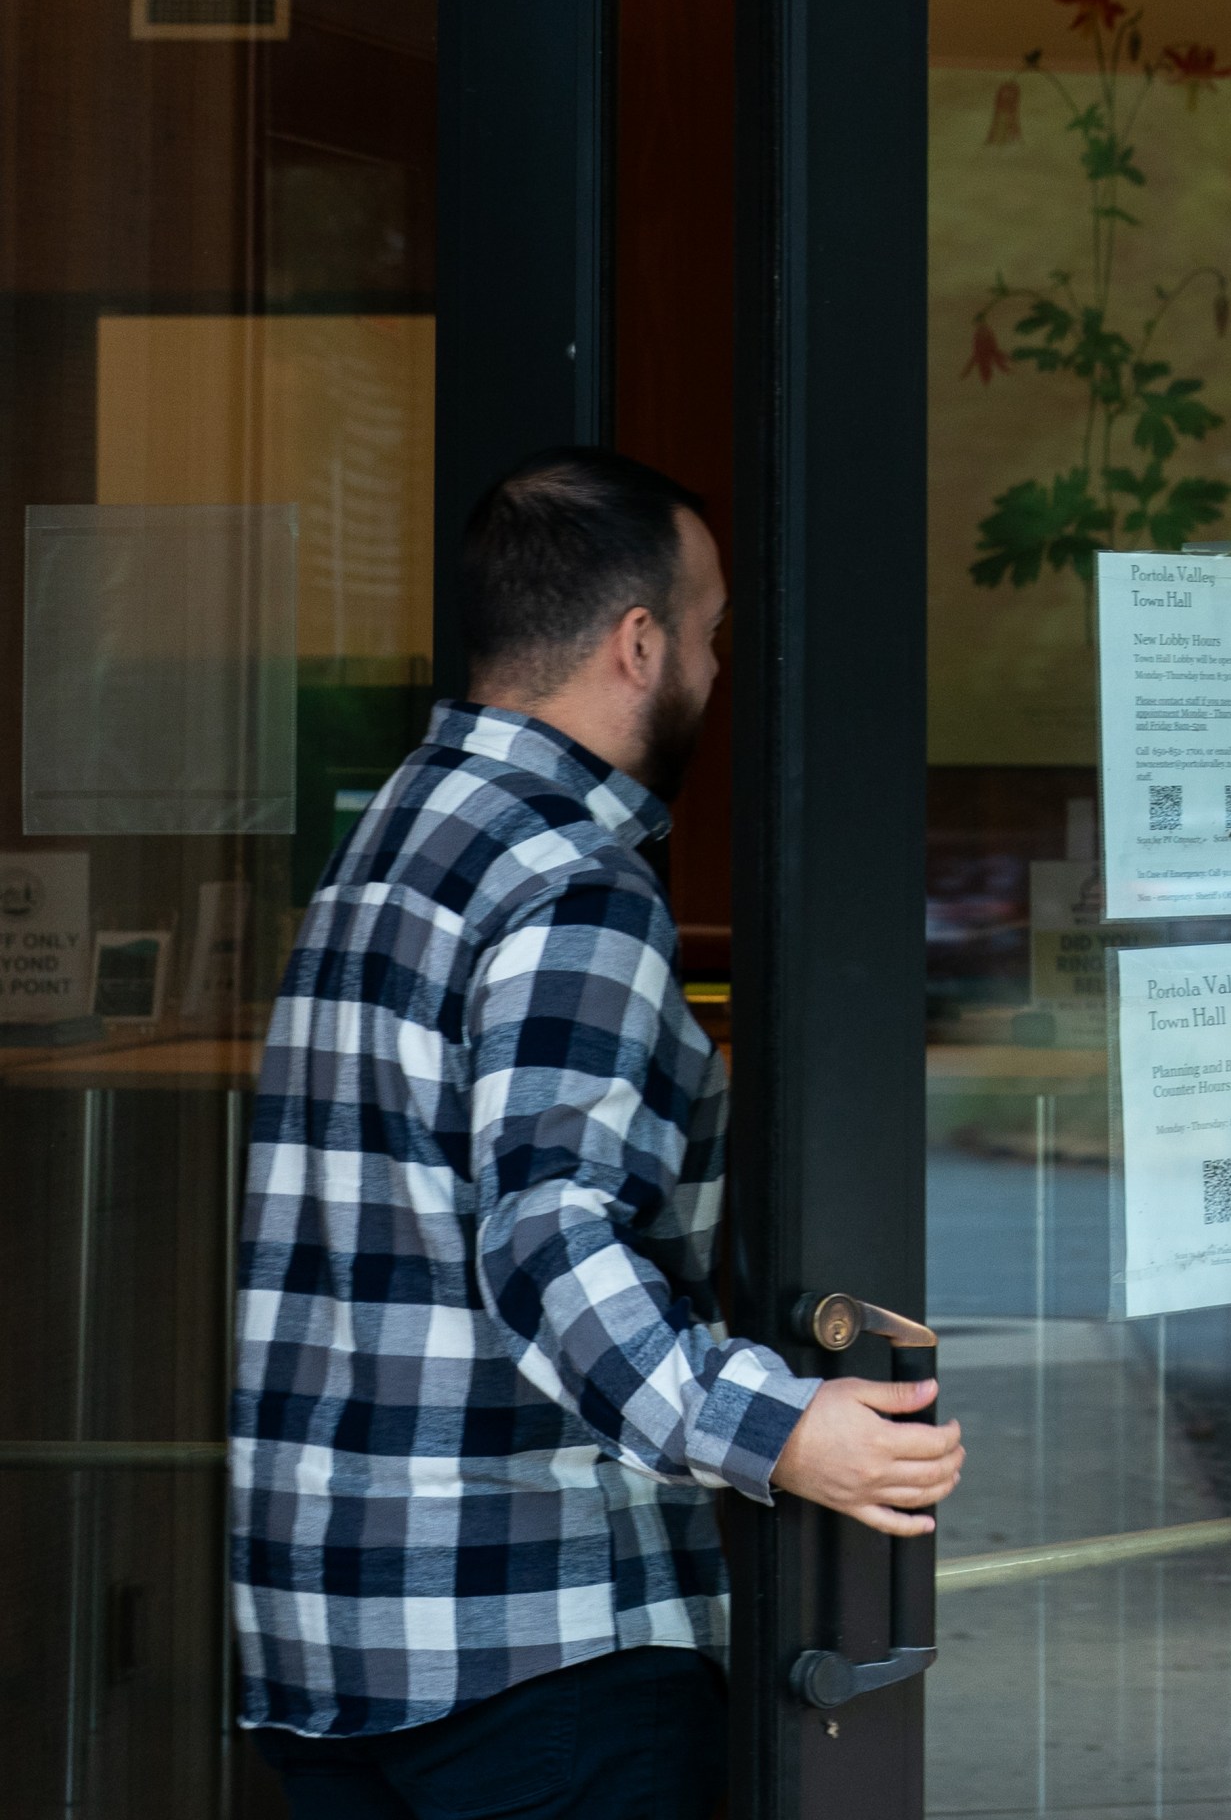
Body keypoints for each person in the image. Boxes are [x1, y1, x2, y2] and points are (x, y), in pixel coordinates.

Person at [230, 448, 964, 1818]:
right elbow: (550, 1237)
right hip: (532, 1652)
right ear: (639, 643)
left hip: (327, 1638)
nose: (714, 665)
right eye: (709, 632)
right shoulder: (571, 880)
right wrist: (785, 1434)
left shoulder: (393, 834)